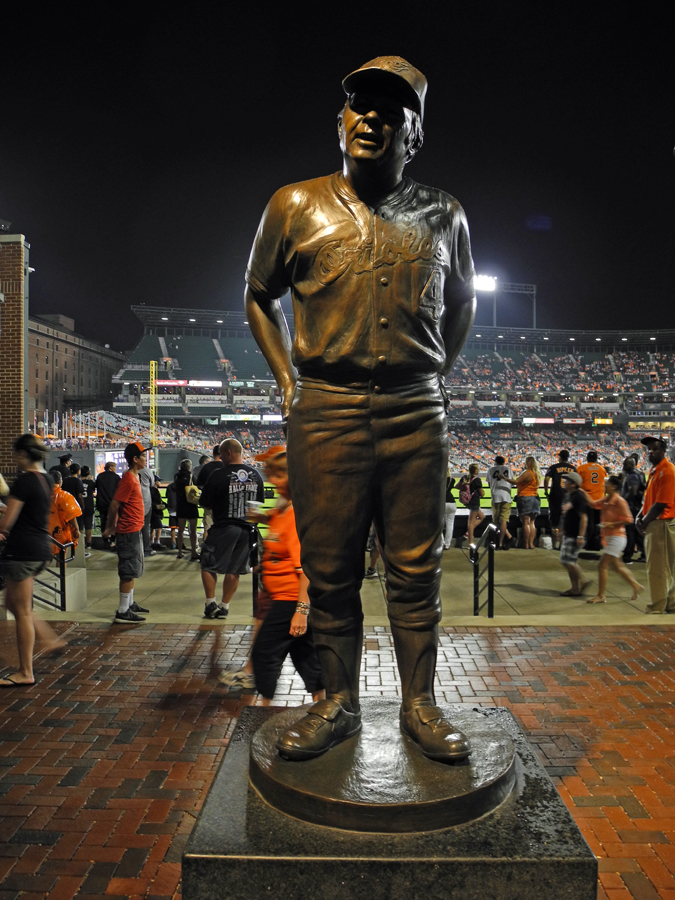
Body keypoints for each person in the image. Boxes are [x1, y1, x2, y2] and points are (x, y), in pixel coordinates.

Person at [246, 56, 476, 761]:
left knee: (415, 567)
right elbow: (258, 293)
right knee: (330, 569)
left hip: (414, 408)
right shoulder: (294, 204)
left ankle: (420, 704)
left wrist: (438, 372)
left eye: (392, 111)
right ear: (340, 124)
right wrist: (288, 383)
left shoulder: (444, 212)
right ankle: (337, 702)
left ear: (417, 134)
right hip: (327, 406)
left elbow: (462, 300)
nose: (372, 118)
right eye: (359, 107)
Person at [250, 447, 324, 709]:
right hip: (284, 597)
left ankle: (263, 711)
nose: (272, 480)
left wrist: (301, 611)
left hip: (289, 600)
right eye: (270, 474)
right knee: (305, 657)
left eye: (278, 475)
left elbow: (306, 570)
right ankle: (323, 708)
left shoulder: (294, 515)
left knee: (264, 654)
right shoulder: (283, 509)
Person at [0, 435, 63, 687]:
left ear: (24, 455)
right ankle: (49, 639)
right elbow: (29, 512)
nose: (15, 460)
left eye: (16, 455)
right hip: (40, 547)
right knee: (14, 604)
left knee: (21, 611)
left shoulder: (24, 481)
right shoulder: (45, 478)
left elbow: (7, 524)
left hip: (22, 551)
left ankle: (26, 671)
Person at [198, 438, 264, 619]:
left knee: (208, 562)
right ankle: (224, 606)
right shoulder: (256, 474)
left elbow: (205, 502)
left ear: (227, 453)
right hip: (247, 529)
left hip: (224, 526)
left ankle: (211, 603)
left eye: (221, 454)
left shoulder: (219, 474)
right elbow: (257, 506)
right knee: (234, 569)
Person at [103, 442, 151, 623]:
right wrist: (109, 527)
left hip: (134, 529)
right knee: (129, 570)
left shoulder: (135, 477)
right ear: (135, 459)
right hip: (128, 531)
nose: (146, 459)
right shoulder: (129, 479)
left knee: (134, 567)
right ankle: (123, 611)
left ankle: (129, 604)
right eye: (143, 456)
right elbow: (115, 504)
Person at [582, 475, 644, 604]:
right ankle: (636, 586)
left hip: (617, 537)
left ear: (614, 487)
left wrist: (612, 524)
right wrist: (582, 492)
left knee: (602, 566)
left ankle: (600, 596)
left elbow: (629, 519)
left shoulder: (620, 501)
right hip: (610, 537)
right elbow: (593, 504)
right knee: (617, 567)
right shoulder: (606, 500)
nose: (605, 486)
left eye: (607, 484)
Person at [636, 435, 675, 615]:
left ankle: (657, 606)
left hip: (661, 523)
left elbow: (660, 504)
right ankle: (671, 604)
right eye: (649, 450)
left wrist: (644, 521)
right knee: (666, 567)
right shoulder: (655, 470)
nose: (651, 452)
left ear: (663, 451)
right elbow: (649, 500)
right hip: (656, 521)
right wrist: (639, 515)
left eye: (655, 449)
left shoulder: (666, 470)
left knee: (657, 568)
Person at [558, 472, 589, 597]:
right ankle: (575, 588)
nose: (564, 483)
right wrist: (561, 531)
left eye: (567, 481)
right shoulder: (568, 496)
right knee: (569, 560)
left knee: (566, 560)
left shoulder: (578, 497)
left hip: (575, 534)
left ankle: (582, 580)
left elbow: (584, 517)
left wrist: (581, 536)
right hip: (568, 532)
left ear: (573, 484)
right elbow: (564, 515)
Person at [544, 450, 577, 550]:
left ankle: (555, 543)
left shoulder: (554, 467)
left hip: (556, 496)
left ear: (560, 457)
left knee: (554, 522)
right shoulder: (572, 468)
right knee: (567, 520)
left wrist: (546, 492)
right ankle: (565, 543)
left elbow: (546, 479)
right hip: (569, 497)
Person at [577, 451, 607, 551]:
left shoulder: (581, 468)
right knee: (598, 523)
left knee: (589, 523)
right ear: (596, 459)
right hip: (600, 499)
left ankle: (590, 544)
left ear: (587, 458)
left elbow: (576, 483)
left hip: (587, 499)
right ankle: (598, 543)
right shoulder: (602, 469)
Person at [196, 444, 223, 545]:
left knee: (207, 528)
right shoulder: (226, 466)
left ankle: (206, 552)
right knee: (222, 528)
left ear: (213, 453)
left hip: (209, 503)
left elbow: (199, 485)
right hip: (223, 504)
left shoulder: (206, 467)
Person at [48, 471, 81, 553]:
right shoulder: (65, 496)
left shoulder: (42, 495)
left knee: (47, 556)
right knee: (62, 556)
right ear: (60, 481)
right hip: (61, 531)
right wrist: (76, 529)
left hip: (45, 531)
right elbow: (71, 515)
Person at [513, 456, 542, 550]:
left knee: (525, 522)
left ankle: (526, 544)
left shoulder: (527, 473)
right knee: (532, 523)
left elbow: (516, 481)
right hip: (535, 498)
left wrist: (504, 478)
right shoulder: (537, 473)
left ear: (529, 463)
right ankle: (531, 544)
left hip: (525, 498)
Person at [174, 459, 200, 561]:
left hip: (180, 505)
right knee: (192, 531)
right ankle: (193, 552)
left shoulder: (176, 476)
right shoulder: (191, 476)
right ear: (189, 467)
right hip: (191, 505)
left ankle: (179, 552)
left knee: (180, 530)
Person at [487, 455, 514, 550]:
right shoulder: (508, 469)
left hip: (495, 496)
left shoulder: (491, 469)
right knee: (503, 520)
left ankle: (496, 541)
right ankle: (502, 542)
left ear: (496, 462)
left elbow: (489, 483)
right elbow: (512, 481)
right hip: (506, 495)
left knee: (496, 521)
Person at [621, 457, 644, 564]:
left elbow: (632, 491)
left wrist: (622, 502)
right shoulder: (638, 474)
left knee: (630, 532)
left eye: (626, 464)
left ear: (630, 465)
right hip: (636, 507)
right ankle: (645, 553)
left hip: (631, 507)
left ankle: (627, 556)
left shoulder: (632, 476)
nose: (624, 466)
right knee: (636, 533)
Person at [95, 461, 121, 548]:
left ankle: (105, 541)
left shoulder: (100, 476)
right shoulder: (116, 477)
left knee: (103, 522)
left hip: (102, 503)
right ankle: (112, 540)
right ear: (110, 467)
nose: (115, 469)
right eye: (115, 467)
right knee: (114, 522)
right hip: (112, 504)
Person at [463, 463, 484, 545]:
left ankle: (468, 533)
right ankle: (470, 543)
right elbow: (482, 494)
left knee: (482, 516)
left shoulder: (465, 477)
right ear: (475, 471)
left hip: (467, 501)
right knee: (471, 522)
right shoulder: (477, 480)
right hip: (474, 501)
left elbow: (457, 486)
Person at [62, 463, 85, 527]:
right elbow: (80, 495)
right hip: (75, 507)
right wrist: (82, 506)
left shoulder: (65, 481)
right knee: (78, 526)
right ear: (78, 471)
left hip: (66, 506)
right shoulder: (78, 481)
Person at [80, 466, 95, 556]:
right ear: (88, 473)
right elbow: (93, 490)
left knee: (80, 526)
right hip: (89, 505)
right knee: (88, 526)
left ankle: (80, 543)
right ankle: (88, 544)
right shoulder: (91, 482)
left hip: (80, 506)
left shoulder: (78, 482)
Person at [442, 469, 457, 550]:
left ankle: (441, 542)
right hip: (452, 502)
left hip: (442, 502)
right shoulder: (452, 480)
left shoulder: (439, 479)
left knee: (440, 525)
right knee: (450, 524)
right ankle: (447, 544)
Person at [150, 478, 166, 550]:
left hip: (153, 511)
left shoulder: (151, 490)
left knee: (153, 527)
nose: (160, 482)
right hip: (155, 512)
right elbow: (156, 501)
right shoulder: (154, 490)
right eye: (159, 481)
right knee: (159, 526)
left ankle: (152, 542)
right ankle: (157, 542)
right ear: (155, 482)